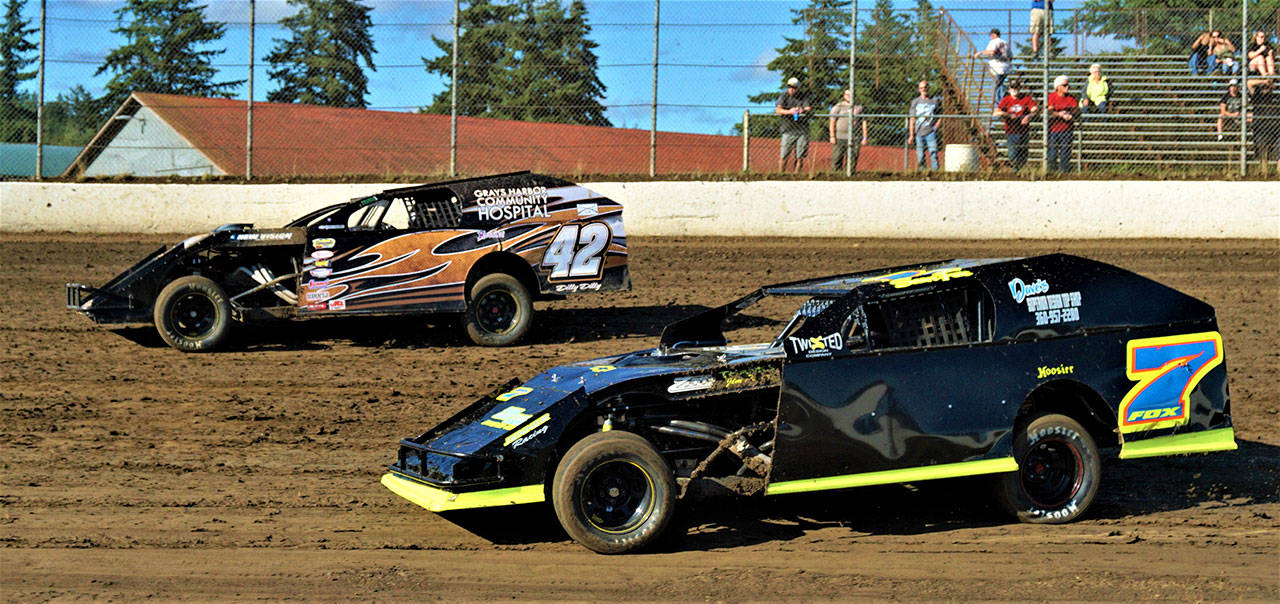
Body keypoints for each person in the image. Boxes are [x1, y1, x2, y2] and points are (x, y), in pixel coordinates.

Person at [994, 77, 1039, 173]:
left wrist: (1028, 117)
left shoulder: (1026, 99)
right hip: (1011, 131)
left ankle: (1020, 170)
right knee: (1012, 154)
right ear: (1009, 89)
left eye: (1016, 88)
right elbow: (996, 112)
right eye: (1012, 88)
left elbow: (1035, 110)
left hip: (1023, 130)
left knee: (1023, 153)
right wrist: (1008, 115)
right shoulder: (1006, 100)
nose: (1014, 90)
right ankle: (1015, 170)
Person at [775, 77, 812, 173]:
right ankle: (781, 174)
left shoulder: (803, 96)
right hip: (788, 129)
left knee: (800, 156)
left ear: (798, 88)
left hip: (802, 130)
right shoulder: (784, 96)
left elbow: (808, 108)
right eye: (790, 87)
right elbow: (778, 110)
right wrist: (789, 112)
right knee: (784, 155)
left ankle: (797, 175)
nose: (792, 89)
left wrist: (802, 110)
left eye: (794, 87)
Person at [1045, 75, 1079, 173]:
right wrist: (1059, 114)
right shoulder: (1052, 97)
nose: (1067, 87)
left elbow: (1076, 109)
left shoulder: (1070, 98)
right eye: (1064, 85)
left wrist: (1070, 114)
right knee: (1052, 153)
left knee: (1065, 153)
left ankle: (1064, 173)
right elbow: (1049, 111)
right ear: (1058, 87)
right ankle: (1051, 172)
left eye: (1068, 85)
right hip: (1053, 130)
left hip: (1067, 130)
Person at [829, 88, 867, 173]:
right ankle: (836, 175)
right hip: (840, 137)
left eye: (851, 95)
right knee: (837, 158)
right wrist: (832, 136)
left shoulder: (859, 108)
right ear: (844, 96)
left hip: (855, 137)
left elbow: (864, 122)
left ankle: (849, 174)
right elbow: (832, 121)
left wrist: (864, 137)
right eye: (847, 95)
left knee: (852, 159)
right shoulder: (838, 107)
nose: (849, 96)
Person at [907, 80, 942, 171]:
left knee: (933, 152)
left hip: (931, 132)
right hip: (919, 132)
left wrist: (936, 127)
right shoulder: (915, 102)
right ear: (919, 89)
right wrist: (911, 135)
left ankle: (935, 172)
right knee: (920, 154)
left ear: (928, 88)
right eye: (921, 88)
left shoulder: (934, 100)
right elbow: (912, 119)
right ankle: (923, 172)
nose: (923, 89)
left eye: (925, 87)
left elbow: (941, 115)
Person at [974, 29, 1012, 103]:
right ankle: (1002, 102)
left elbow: (992, 51)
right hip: (1005, 67)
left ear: (994, 35)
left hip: (996, 67)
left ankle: (999, 104)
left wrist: (981, 52)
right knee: (1000, 85)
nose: (990, 37)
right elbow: (1011, 56)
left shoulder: (994, 41)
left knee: (996, 87)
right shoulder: (1005, 42)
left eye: (991, 35)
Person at [1252, 81, 1280, 173]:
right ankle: (1265, 174)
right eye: (1264, 86)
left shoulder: (1276, 96)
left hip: (1276, 129)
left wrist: (1272, 82)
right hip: (1261, 128)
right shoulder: (1257, 96)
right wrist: (1264, 81)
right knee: (1263, 153)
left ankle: (1278, 174)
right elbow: (1249, 83)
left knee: (1279, 154)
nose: (1266, 88)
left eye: (1268, 86)